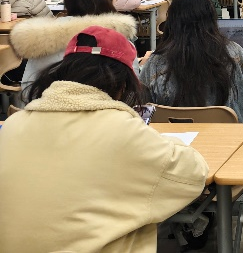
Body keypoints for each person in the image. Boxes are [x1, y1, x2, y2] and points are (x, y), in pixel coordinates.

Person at [0, 26, 208, 252]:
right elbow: (193, 175)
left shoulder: (11, 126)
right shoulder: (123, 131)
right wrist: (169, 142)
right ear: (123, 83)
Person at [141, 0, 243, 124]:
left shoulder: (155, 63)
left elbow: (143, 113)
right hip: (232, 135)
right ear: (212, 19)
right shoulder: (234, 52)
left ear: (171, 21)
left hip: (172, 137)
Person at [10, 0, 137, 98]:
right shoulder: (117, 38)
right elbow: (132, 91)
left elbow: (27, 88)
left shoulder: (41, 37)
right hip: (103, 109)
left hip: (41, 108)